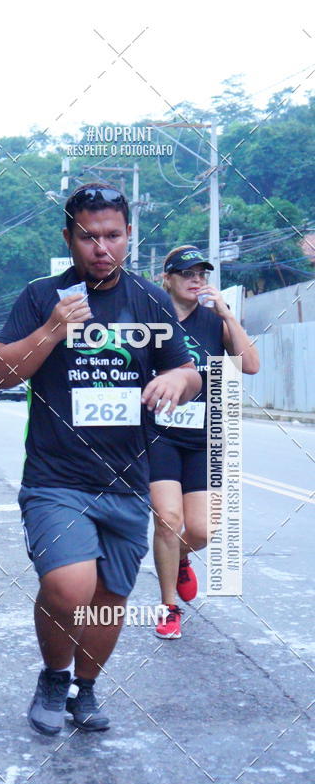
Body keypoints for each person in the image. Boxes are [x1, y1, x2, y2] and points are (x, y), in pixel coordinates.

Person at [0, 184, 201, 735]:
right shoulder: (42, 296)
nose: (101, 247)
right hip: (56, 480)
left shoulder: (149, 299)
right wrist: (54, 329)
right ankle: (54, 677)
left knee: (109, 599)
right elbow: (0, 374)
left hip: (128, 482)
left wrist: (179, 376)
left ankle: (86, 689)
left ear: (129, 237)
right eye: (88, 236)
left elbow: (190, 370)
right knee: (68, 587)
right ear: (69, 238)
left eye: (112, 235)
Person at [147, 245, 259, 639]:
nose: (196, 280)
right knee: (167, 520)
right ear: (168, 279)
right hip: (157, 433)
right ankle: (168, 607)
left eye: (202, 274)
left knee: (202, 529)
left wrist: (227, 314)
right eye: (187, 274)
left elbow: (250, 364)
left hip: (203, 437)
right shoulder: (151, 318)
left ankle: (176, 558)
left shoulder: (214, 322)